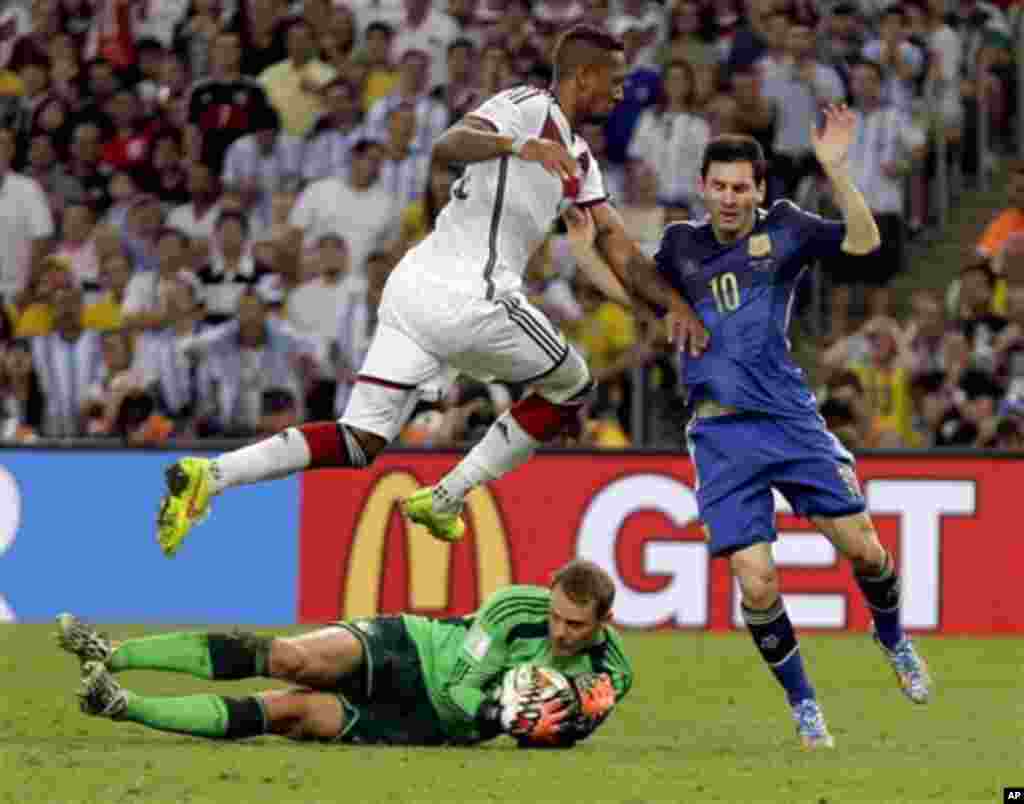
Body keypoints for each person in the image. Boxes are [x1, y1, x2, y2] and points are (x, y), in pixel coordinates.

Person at [156, 24, 707, 555]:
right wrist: (520, 147)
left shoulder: (581, 161)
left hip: (415, 292)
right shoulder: (529, 106)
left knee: (359, 439)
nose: (619, 93)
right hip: (472, 295)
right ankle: (445, 497)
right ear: (582, 76)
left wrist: (669, 306)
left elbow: (617, 247)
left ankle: (211, 475)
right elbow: (448, 143)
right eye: (612, 81)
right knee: (572, 386)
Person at [648, 114, 931, 749]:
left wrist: (835, 169)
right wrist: (586, 244)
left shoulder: (786, 229)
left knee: (864, 549)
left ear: (758, 189)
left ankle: (894, 640)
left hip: (790, 421)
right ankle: (805, 704)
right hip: (720, 435)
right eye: (719, 186)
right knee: (757, 578)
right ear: (703, 187)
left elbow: (865, 244)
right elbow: (628, 282)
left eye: (740, 188)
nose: (729, 198)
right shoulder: (678, 247)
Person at [57, 560, 629, 747]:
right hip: (411, 648)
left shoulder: (611, 672)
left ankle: (117, 703)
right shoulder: (511, 607)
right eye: (554, 616)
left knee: (290, 713)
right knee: (291, 659)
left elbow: (561, 731)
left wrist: (561, 725)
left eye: (574, 625)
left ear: (605, 620)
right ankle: (111, 650)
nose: (558, 631)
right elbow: (462, 686)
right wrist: (500, 713)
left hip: (426, 726)